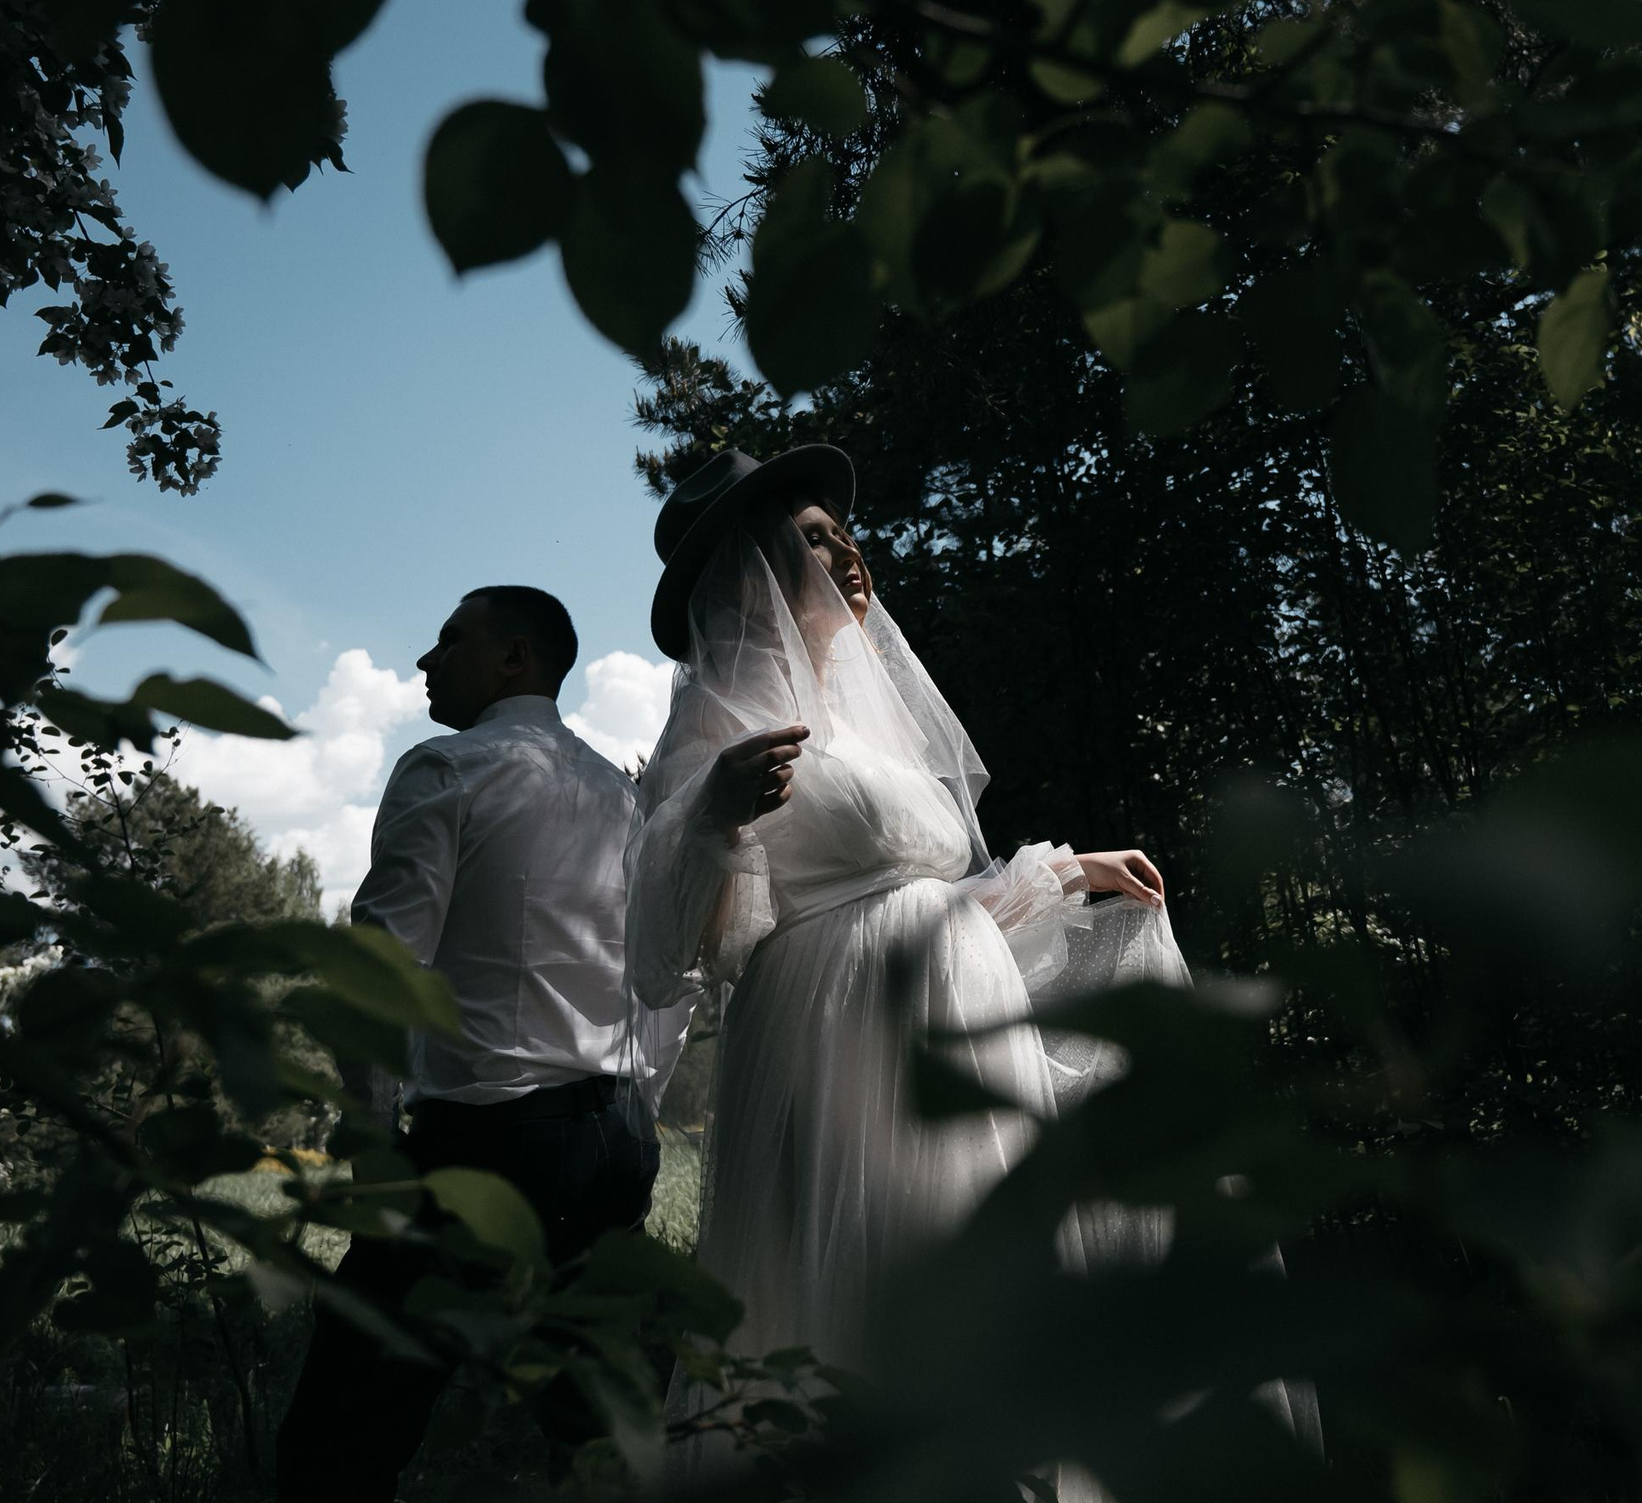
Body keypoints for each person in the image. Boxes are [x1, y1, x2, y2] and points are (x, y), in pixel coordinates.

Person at [624, 447, 1235, 1483]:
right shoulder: (715, 717)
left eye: (844, 532)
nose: (847, 551)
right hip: (833, 1035)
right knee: (864, 1304)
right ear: (750, 565)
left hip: (956, 1021)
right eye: (813, 537)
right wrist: (712, 817)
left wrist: (1066, 873)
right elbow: (665, 950)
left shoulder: (873, 721)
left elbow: (933, 904)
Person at [275, 585, 695, 1503]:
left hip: (486, 1141)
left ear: (516, 658)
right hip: (611, 1143)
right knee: (595, 1428)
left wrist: (380, 1140)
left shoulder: (447, 769)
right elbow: (669, 981)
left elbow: (380, 968)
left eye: (449, 639)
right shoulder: (623, 800)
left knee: (340, 1430)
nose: (428, 660)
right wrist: (633, 1106)